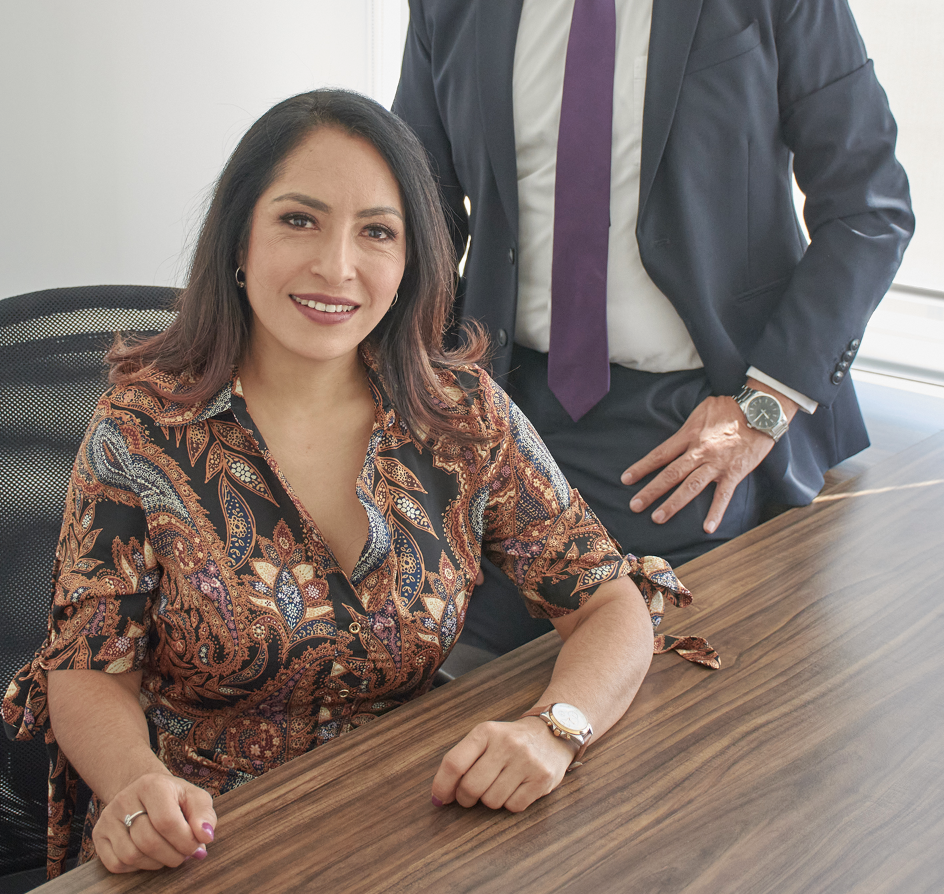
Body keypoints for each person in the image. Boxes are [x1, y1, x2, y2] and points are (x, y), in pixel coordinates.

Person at [3, 89, 710, 879]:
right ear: (239, 241)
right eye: (298, 220)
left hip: (405, 821)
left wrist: (555, 728)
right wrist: (135, 785)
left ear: (410, 262)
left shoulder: (460, 414)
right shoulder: (141, 427)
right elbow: (87, 667)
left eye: (376, 231)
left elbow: (608, 601)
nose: (336, 266)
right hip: (199, 841)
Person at [392, 0, 914, 656]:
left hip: (701, 419)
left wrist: (761, 406)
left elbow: (869, 208)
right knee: (468, 674)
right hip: (508, 413)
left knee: (680, 701)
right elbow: (413, 220)